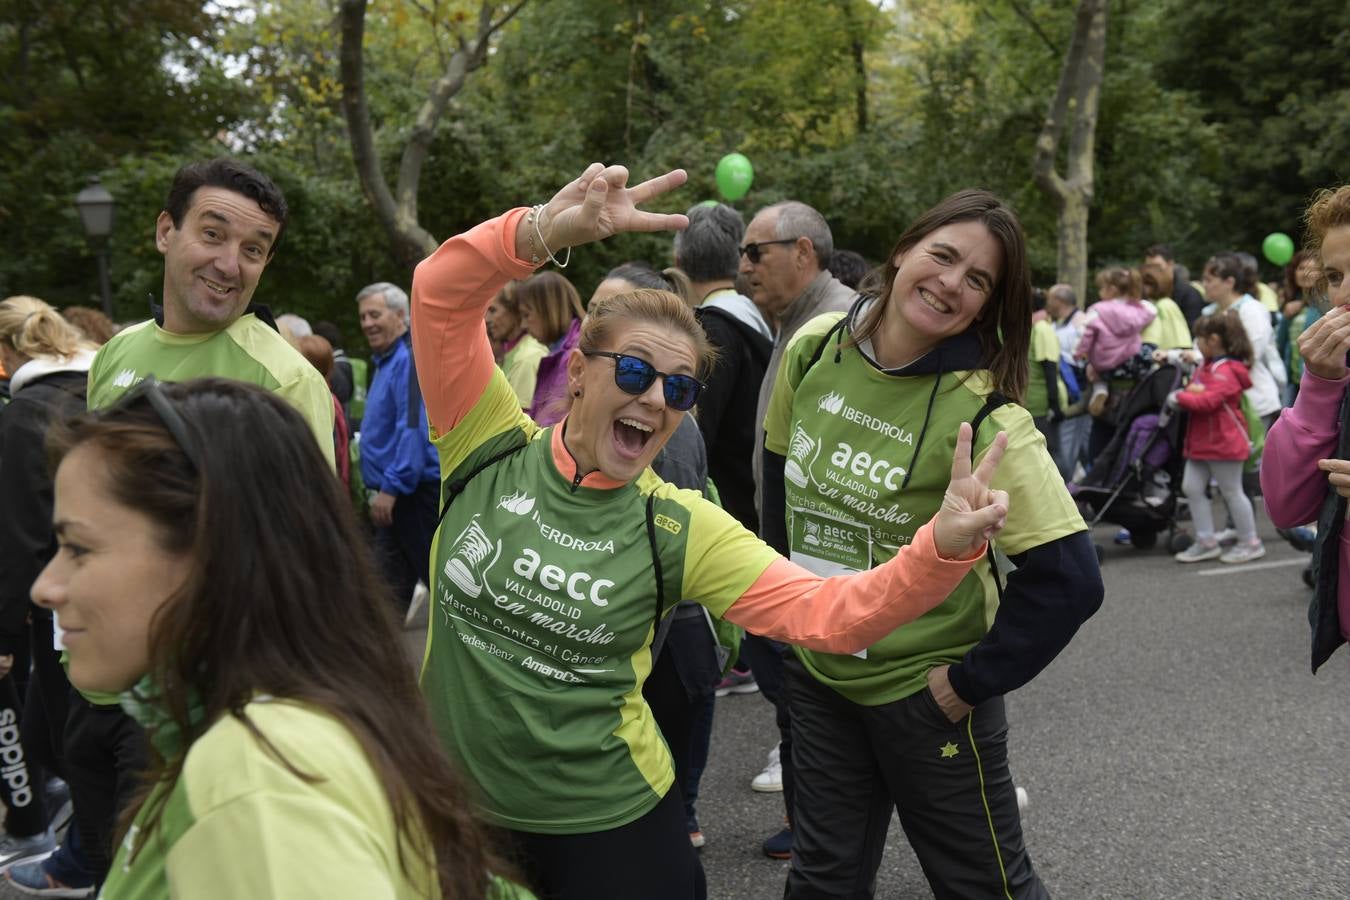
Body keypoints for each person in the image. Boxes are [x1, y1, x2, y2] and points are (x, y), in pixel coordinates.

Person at [410, 162, 1012, 900]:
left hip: (614, 828)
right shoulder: (486, 444)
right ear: (577, 375)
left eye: (680, 388)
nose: (655, 398)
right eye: (633, 371)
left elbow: (831, 613)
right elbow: (439, 295)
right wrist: (541, 230)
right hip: (459, 815)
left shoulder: (680, 524)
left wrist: (940, 550)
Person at [29, 377, 529, 899]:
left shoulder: (255, 776)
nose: (46, 587)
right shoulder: (289, 725)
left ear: (209, 556)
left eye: (78, 548)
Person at [761, 188, 1103, 899]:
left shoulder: (984, 411)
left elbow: (1070, 578)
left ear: (985, 307)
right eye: (943, 256)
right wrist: (779, 623)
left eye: (977, 280)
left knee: (983, 888)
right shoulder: (813, 349)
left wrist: (965, 686)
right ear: (904, 251)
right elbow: (777, 491)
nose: (951, 283)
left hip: (925, 696)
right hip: (820, 678)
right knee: (821, 882)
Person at [11, 158, 338, 898]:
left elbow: (304, 559)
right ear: (166, 231)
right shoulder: (121, 353)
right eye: (212, 234)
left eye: (252, 249)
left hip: (201, 686)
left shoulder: (285, 380)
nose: (229, 264)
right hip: (99, 671)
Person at [739, 199, 856, 858]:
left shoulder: (833, 320)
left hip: (812, 563)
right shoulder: (796, 318)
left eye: (756, 252)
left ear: (803, 253)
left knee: (808, 702)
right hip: (796, 556)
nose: (744, 267)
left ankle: (821, 836)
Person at [0, 298, 92, 878]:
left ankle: (84, 858)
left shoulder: (24, 415)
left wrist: (4, 632)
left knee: (81, 742)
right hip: (135, 591)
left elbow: (21, 536)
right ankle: (50, 832)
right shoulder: (104, 385)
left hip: (61, 610)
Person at [1262, 185, 1350, 673]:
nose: (1342, 293)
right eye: (1335, 275)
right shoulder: (1340, 375)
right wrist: (1319, 384)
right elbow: (1286, 504)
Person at [673, 202, 773, 534]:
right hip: (753, 497)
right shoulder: (760, 320)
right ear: (738, 260)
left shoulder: (709, 333)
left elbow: (697, 432)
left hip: (720, 514)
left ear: (678, 262)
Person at [357, 281, 440, 616]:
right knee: (385, 591)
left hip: (413, 493)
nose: (367, 323)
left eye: (374, 314)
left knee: (442, 583)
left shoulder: (408, 359)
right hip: (400, 493)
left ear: (401, 315)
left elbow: (414, 429)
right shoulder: (386, 360)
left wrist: (392, 487)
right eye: (362, 317)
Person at [1168, 312, 1264, 563]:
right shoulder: (1208, 365)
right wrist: (1189, 395)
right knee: (1192, 487)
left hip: (1224, 441)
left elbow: (1208, 400)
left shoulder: (1228, 369)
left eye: (1199, 338)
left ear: (1213, 339)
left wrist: (1179, 397)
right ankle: (1206, 540)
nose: (1196, 344)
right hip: (1203, 441)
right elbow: (1199, 393)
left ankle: (1250, 542)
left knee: (1232, 491)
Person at [1198, 252, 1284, 428]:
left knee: (1251, 455)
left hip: (1252, 402)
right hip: (1221, 401)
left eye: (1208, 280)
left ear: (1229, 282)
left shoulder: (1253, 310)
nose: (1204, 285)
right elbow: (1199, 351)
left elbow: (1250, 355)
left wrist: (1202, 357)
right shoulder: (1208, 313)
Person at [1076, 267, 1156, 418]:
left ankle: (1100, 390)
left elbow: (1086, 334)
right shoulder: (1138, 309)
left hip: (1104, 362)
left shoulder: (1097, 310)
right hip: (1131, 360)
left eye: (1101, 288)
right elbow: (1152, 311)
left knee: (1094, 368)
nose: (1099, 291)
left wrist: (1080, 352)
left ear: (1111, 290)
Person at [516, 271, 586, 426]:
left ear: (548, 310)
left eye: (527, 315)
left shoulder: (572, 356)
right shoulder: (561, 351)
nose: (523, 325)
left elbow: (551, 423)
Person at [1045, 284, 1091, 479]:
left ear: (1059, 301)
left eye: (1050, 299)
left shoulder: (1081, 325)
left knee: (1068, 454)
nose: (1047, 303)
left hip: (1076, 400)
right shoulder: (1058, 324)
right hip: (1064, 399)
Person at [486, 282, 549, 409]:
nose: (487, 319)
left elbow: (521, 422)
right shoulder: (512, 352)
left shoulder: (527, 357)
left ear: (514, 312)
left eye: (493, 310)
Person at [1275, 251, 1325, 406]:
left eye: (1313, 269)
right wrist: (1286, 317)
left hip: (1318, 381)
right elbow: (1280, 343)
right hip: (1293, 380)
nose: (1306, 273)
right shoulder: (1291, 304)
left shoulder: (1327, 304)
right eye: (1301, 268)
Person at [1143, 243, 1206, 328]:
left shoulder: (1189, 294)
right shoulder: (1143, 293)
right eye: (1148, 267)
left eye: (1157, 266)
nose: (1152, 271)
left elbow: (1193, 330)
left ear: (1170, 264)